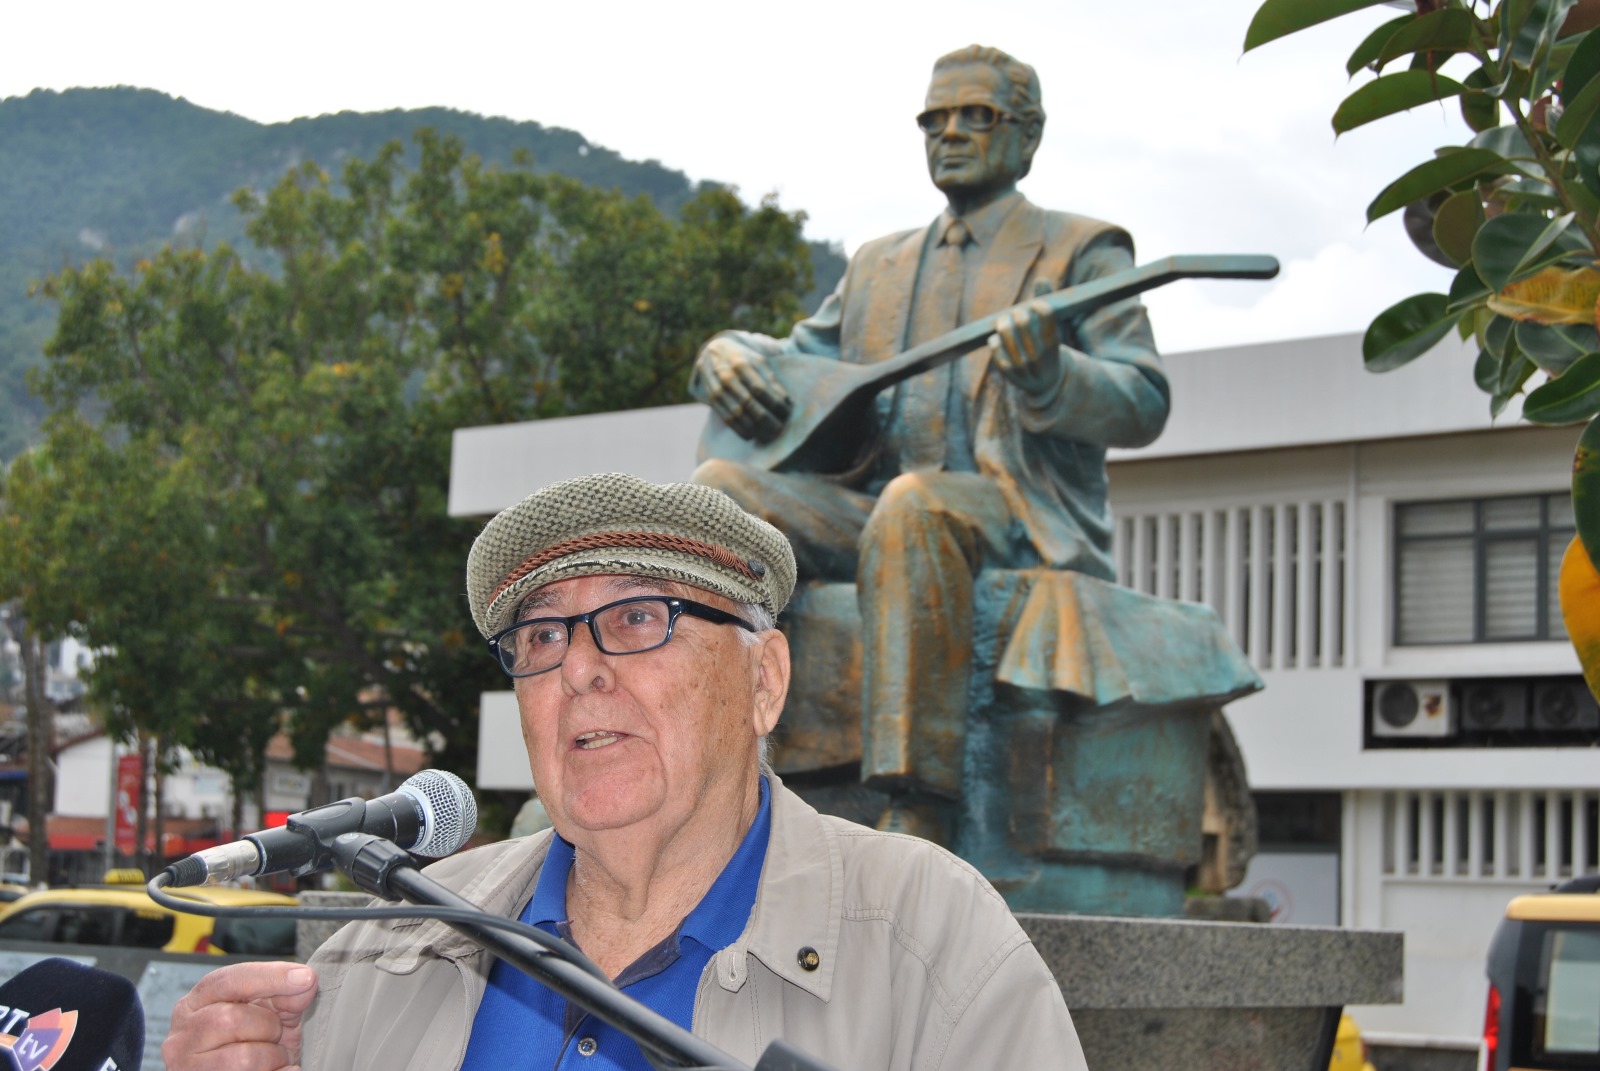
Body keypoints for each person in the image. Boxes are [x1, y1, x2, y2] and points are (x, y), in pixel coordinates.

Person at [161, 472, 1088, 1071]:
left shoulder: (930, 938)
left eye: (641, 617)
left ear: (763, 681)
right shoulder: (389, 947)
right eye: (541, 633)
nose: (577, 667)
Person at [690, 44, 1169, 843]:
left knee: (914, 507)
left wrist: (1053, 375)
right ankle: (711, 759)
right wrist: (725, 351)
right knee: (719, 488)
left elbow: (1144, 399)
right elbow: (794, 356)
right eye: (933, 119)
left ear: (1028, 136)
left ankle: (921, 802)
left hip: (1013, 513)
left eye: (975, 115)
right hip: (873, 508)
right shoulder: (879, 263)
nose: (949, 133)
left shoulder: (1081, 250)